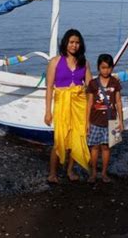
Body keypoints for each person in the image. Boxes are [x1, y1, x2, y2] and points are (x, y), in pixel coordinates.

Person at [44, 29, 92, 183]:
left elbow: (91, 89)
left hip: (79, 106)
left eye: (77, 42)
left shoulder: (84, 63)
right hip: (61, 105)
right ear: (65, 43)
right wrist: (47, 112)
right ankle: (53, 173)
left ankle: (70, 171)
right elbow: (50, 87)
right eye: (71, 42)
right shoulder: (55, 61)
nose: (74, 45)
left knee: (76, 139)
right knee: (60, 140)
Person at [86, 54, 124, 183]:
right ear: (98, 68)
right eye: (103, 68)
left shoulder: (115, 82)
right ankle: (93, 173)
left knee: (107, 148)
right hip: (95, 121)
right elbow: (89, 103)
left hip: (112, 121)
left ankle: (104, 173)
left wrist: (121, 122)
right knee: (94, 147)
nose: (106, 70)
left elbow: (118, 102)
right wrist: (87, 123)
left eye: (109, 68)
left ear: (112, 68)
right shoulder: (92, 83)